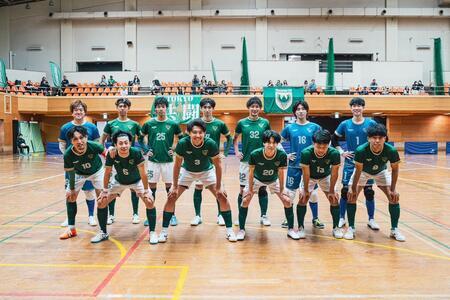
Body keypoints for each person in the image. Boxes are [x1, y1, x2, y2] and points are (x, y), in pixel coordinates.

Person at [157, 119, 237, 243]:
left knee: (222, 196)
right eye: (194, 132)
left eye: (200, 132)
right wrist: (174, 186)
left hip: (206, 171)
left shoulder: (210, 143)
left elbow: (218, 165)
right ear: (189, 133)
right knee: (171, 197)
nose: (197, 135)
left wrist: (220, 186)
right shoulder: (183, 143)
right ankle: (164, 232)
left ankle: (230, 231)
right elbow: (177, 165)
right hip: (187, 171)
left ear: (204, 133)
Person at [93, 131, 157, 244]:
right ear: (116, 145)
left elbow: (143, 173)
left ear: (130, 143)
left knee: (150, 201)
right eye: (120, 143)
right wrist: (104, 191)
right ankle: (103, 232)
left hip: (137, 182)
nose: (124, 146)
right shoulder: (111, 154)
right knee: (101, 202)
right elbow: (107, 172)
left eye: (126, 143)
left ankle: (152, 232)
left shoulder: (136, 152)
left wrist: (146, 191)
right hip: (119, 182)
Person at [346, 123, 405, 241]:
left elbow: (395, 171)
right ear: (368, 138)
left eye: (380, 138)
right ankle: (351, 228)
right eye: (374, 137)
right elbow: (358, 171)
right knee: (351, 196)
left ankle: (394, 229)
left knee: (393, 197)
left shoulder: (391, 150)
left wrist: (393, 189)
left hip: (381, 172)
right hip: (363, 172)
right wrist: (352, 188)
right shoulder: (361, 150)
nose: (377, 140)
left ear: (385, 138)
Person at [238, 130, 299, 240]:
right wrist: (250, 190)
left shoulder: (281, 155)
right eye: (268, 142)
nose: (271, 145)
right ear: (263, 143)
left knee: (287, 200)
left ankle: (290, 229)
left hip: (273, 180)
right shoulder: (255, 154)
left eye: (274, 143)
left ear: (277, 143)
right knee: (245, 200)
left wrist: (282, 190)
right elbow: (251, 172)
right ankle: (241, 230)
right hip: (257, 179)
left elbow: (281, 172)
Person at [331, 97, 379, 230]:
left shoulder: (371, 123)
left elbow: (380, 138)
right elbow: (334, 139)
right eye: (354, 105)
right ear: (351, 108)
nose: (356, 108)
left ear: (363, 108)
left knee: (369, 191)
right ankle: (341, 218)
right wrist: (342, 152)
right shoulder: (345, 124)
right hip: (350, 162)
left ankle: (371, 219)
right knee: (345, 190)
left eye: (359, 105)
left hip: (367, 163)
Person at [281, 100, 324, 230]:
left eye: (303, 109)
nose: (300, 111)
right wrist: (285, 154)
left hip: (311, 167)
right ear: (294, 112)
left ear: (307, 111)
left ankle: (315, 218)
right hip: (294, 165)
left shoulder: (315, 127)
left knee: (313, 194)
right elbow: (277, 141)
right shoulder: (289, 127)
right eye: (298, 109)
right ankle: (287, 217)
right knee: (290, 193)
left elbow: (323, 143)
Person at [141, 97, 183, 227]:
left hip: (168, 162)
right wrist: (146, 150)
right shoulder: (149, 123)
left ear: (166, 108)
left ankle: (172, 215)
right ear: (155, 108)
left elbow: (182, 139)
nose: (160, 109)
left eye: (162, 106)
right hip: (153, 161)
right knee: (150, 190)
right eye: (158, 106)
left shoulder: (173, 124)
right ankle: (150, 215)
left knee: (170, 190)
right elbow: (140, 137)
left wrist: (175, 149)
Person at [100, 98, 143, 225]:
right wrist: (106, 152)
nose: (122, 108)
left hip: (131, 160)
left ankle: (135, 214)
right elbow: (101, 141)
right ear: (117, 107)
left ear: (128, 108)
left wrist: (146, 150)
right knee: (112, 188)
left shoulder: (135, 124)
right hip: (116, 160)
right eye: (120, 106)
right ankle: (111, 215)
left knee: (134, 187)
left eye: (125, 106)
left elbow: (141, 141)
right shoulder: (111, 124)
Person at [190, 98, 233, 226]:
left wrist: (225, 153)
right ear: (201, 109)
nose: (207, 110)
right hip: (199, 161)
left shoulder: (219, 124)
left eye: (209, 107)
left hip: (214, 162)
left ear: (213, 109)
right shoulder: (195, 123)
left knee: (217, 188)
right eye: (205, 107)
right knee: (198, 187)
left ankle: (220, 215)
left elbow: (229, 138)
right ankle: (197, 215)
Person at [59, 100, 100, 227]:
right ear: (72, 112)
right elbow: (62, 144)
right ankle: (69, 218)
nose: (78, 112)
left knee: (89, 192)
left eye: (81, 110)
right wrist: (70, 157)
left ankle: (91, 216)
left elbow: (98, 145)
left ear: (84, 112)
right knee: (70, 193)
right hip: (73, 166)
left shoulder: (92, 127)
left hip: (89, 167)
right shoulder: (65, 127)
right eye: (76, 110)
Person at [59, 126, 104, 240]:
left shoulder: (94, 145)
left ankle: (103, 231)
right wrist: (72, 188)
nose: (79, 141)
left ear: (86, 137)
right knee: (70, 196)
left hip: (96, 171)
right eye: (75, 139)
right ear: (71, 141)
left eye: (81, 137)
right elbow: (71, 173)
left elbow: (108, 156)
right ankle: (71, 229)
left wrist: (111, 171)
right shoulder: (68, 154)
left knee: (102, 199)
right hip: (79, 173)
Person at [298, 130, 343, 239]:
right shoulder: (306, 152)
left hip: (325, 176)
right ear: (313, 143)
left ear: (329, 144)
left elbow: (334, 173)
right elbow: (306, 173)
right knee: (303, 198)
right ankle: (300, 227)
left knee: (334, 199)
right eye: (318, 147)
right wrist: (306, 190)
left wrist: (332, 190)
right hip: (310, 177)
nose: (321, 150)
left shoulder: (334, 153)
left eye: (324, 147)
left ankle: (336, 227)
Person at [234, 97, 271, 226]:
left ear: (260, 109)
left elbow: (269, 139)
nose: (254, 109)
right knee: (242, 189)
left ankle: (264, 216)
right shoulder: (241, 123)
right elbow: (235, 138)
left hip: (262, 161)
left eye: (257, 107)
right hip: (246, 161)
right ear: (248, 108)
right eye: (252, 106)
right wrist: (237, 151)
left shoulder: (265, 122)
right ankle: (240, 217)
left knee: (262, 188)